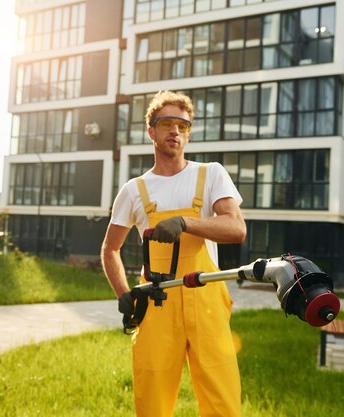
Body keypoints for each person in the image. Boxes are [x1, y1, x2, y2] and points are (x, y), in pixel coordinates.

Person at [100, 90, 247, 417]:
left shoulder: (211, 174)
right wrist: (123, 294)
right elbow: (110, 248)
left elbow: (236, 229)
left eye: (182, 125)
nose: (175, 131)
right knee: (152, 401)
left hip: (206, 298)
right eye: (166, 123)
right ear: (150, 131)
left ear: (189, 133)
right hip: (156, 302)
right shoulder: (134, 190)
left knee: (223, 401)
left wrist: (186, 223)